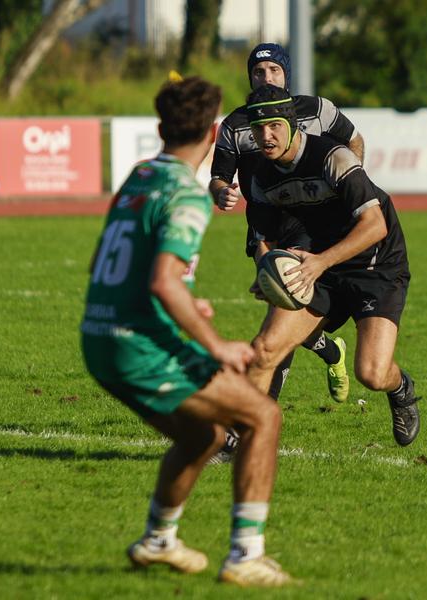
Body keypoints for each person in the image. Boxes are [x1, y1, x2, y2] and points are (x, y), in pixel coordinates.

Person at [80, 75, 293, 587]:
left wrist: (181, 296)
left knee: (204, 435)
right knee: (262, 416)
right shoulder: (187, 195)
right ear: (216, 130)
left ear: (159, 128)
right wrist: (216, 344)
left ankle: (159, 540)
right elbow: (162, 280)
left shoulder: (140, 174)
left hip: (98, 335)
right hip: (138, 342)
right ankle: (245, 554)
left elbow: (113, 261)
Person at [243, 84, 421, 447]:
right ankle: (239, 440)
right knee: (265, 350)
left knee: (371, 373)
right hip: (317, 263)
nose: (266, 136)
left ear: (292, 125)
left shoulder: (332, 157)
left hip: (375, 264)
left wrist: (318, 263)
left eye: (274, 126)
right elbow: (264, 236)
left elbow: (375, 225)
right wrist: (266, 270)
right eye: (259, 129)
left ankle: (400, 388)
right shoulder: (261, 176)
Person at [210, 42, 364, 404]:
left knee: (280, 319)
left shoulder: (317, 110)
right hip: (264, 226)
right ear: (250, 77)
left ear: (286, 75)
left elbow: (354, 140)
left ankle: (262, 410)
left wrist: (352, 180)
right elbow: (218, 177)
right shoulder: (235, 124)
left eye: (274, 70)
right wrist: (220, 192)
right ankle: (330, 351)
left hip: (312, 224)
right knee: (287, 307)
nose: (267, 77)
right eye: (259, 72)